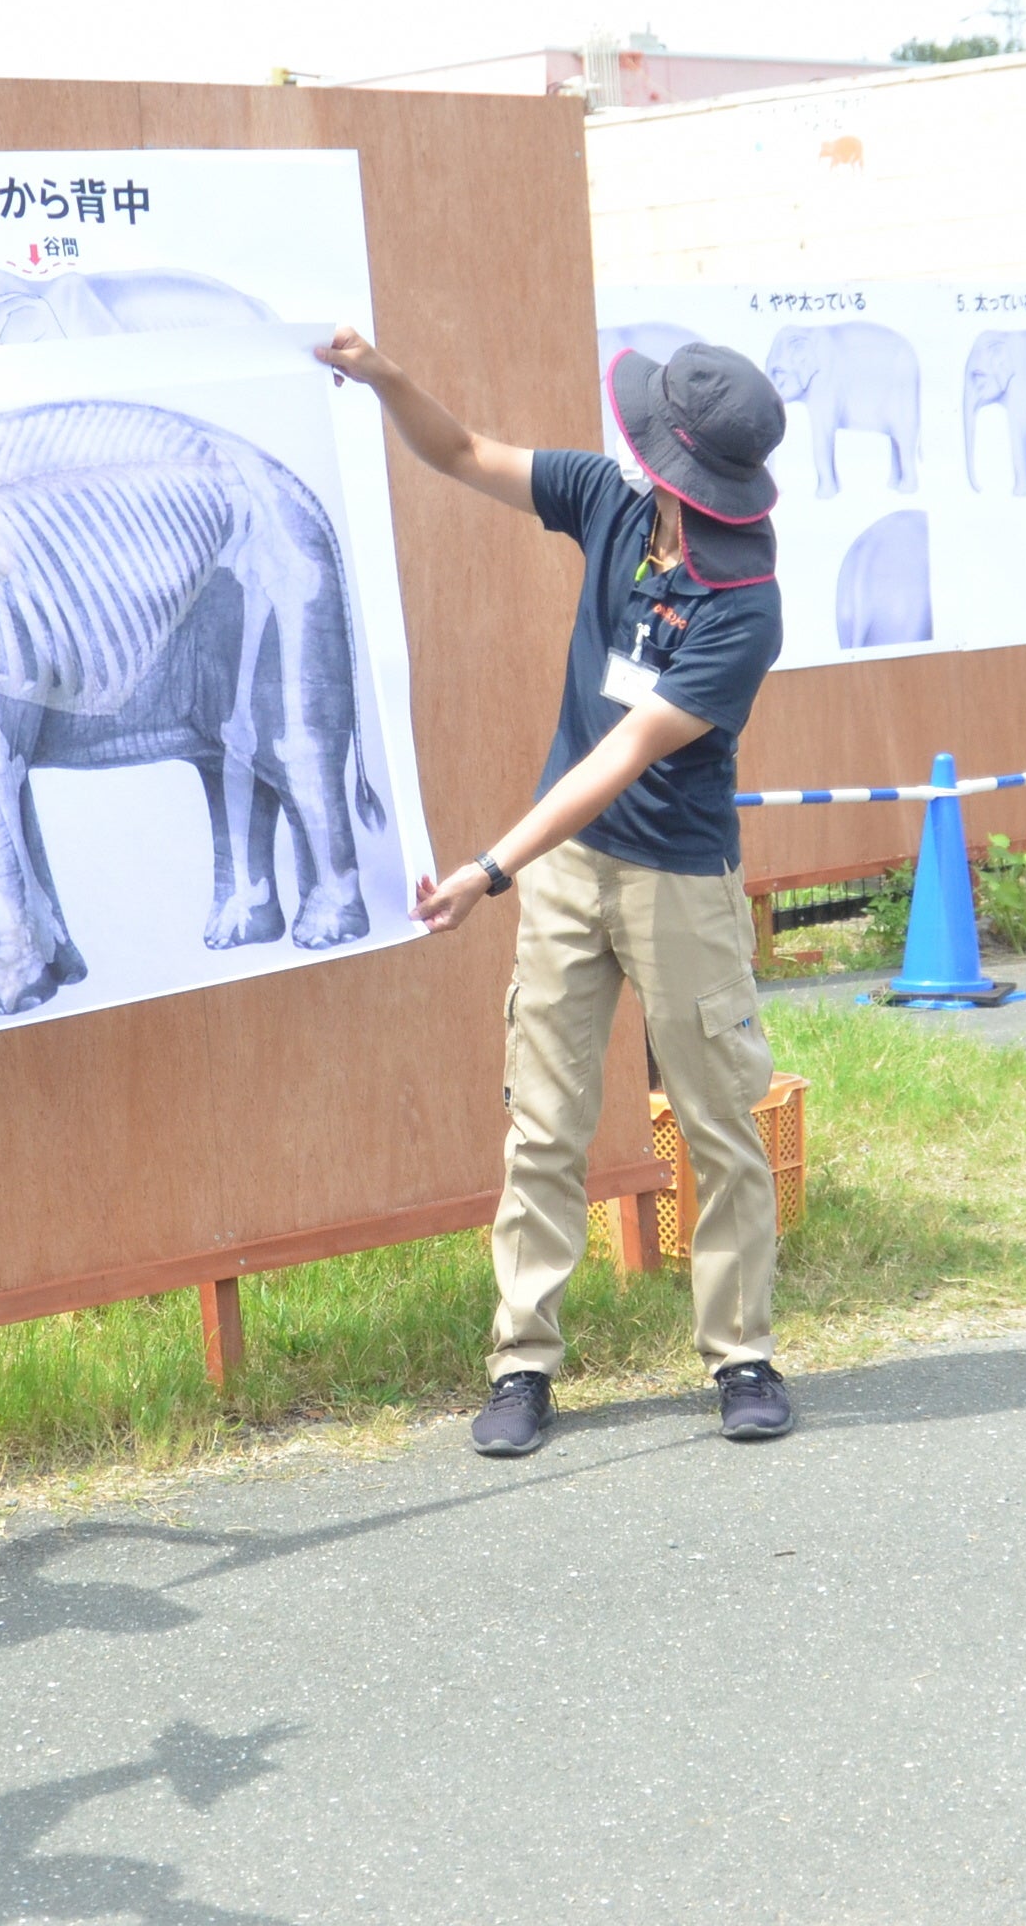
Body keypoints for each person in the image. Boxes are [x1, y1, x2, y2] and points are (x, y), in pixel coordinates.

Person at [315, 326, 797, 1455]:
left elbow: (624, 755)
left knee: (721, 1120)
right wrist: (389, 377)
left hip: (679, 880)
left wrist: (492, 867)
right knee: (544, 1123)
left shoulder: (746, 602)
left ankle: (743, 1355)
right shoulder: (613, 504)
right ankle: (522, 1363)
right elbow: (466, 453)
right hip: (570, 875)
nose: (632, 458)